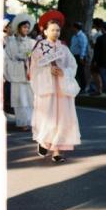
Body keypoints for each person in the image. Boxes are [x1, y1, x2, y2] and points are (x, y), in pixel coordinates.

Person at [29, 10, 81, 163]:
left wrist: (64, 71)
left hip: (61, 87)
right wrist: (48, 70)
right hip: (47, 87)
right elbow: (34, 69)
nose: (56, 33)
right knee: (47, 116)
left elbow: (73, 65)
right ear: (45, 31)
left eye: (58, 30)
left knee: (62, 117)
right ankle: (43, 140)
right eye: (52, 30)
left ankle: (57, 150)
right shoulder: (39, 49)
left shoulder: (63, 49)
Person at [4, 14, 35, 130]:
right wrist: (19, 59)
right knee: (20, 98)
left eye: (27, 27)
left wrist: (29, 59)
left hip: (29, 74)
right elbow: (6, 58)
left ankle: (31, 121)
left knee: (30, 98)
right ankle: (22, 122)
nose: (26, 29)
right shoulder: (11, 43)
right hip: (17, 73)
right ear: (19, 28)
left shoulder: (32, 42)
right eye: (24, 27)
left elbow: (36, 57)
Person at [92, 21, 106, 94]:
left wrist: (95, 60)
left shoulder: (99, 39)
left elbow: (97, 51)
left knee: (103, 76)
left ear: (102, 28)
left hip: (101, 61)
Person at [69, 22, 89, 93]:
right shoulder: (74, 36)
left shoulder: (82, 36)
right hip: (74, 56)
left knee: (81, 72)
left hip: (79, 56)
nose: (72, 28)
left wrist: (81, 57)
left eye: (73, 27)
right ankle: (77, 86)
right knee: (75, 71)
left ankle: (83, 87)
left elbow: (83, 47)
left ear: (75, 28)